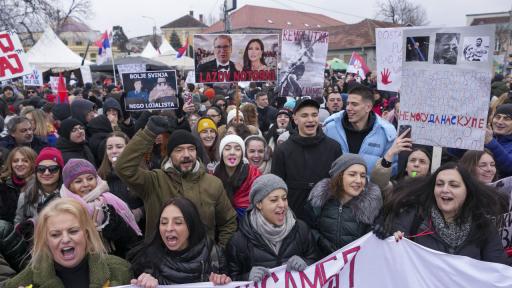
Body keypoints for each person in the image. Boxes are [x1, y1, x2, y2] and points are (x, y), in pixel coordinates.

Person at [115, 116, 237, 247]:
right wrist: (148, 133)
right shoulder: (154, 181)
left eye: (191, 149)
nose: (186, 154)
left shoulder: (213, 184)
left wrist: (219, 252)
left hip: (202, 261)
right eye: (179, 150)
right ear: (169, 155)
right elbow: (123, 168)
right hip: (161, 260)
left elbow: (228, 222)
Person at [373, 163, 509, 264]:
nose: (445, 189)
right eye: (439, 184)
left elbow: (497, 270)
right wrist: (391, 237)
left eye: (453, 185)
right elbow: (391, 259)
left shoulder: (483, 226)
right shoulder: (413, 217)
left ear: (467, 191)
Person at [4, 198, 132, 288]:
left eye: (73, 231)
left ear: (86, 234)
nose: (65, 239)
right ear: (46, 240)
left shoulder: (120, 269)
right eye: (55, 234)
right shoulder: (27, 280)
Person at [226, 174, 319, 281]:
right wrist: (246, 277)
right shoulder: (238, 241)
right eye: (274, 200)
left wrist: (305, 263)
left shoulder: (301, 229)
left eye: (284, 198)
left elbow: (316, 262)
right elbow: (230, 278)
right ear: (259, 204)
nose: (282, 205)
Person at [129, 197, 231, 286]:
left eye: (178, 222)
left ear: (192, 225)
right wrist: (143, 283)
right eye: (164, 222)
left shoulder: (214, 255)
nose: (169, 228)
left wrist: (224, 283)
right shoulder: (147, 259)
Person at [272, 98, 342, 220]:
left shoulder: (334, 147)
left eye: (314, 115)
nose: (310, 120)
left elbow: (339, 185)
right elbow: (277, 187)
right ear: (295, 119)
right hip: (294, 217)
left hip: (326, 217)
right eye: (304, 115)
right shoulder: (282, 150)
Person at [60, 159, 142, 257]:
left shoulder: (110, 201)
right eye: (78, 181)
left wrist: (106, 224)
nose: (86, 184)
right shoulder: (63, 209)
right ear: (69, 186)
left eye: (90, 178)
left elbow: (128, 238)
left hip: (114, 260)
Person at [305, 154, 382, 257]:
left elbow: (378, 241)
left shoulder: (371, 205)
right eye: (352, 174)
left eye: (363, 176)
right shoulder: (319, 200)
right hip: (324, 265)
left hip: (356, 266)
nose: (359, 180)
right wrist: (320, 241)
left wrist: (383, 231)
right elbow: (307, 229)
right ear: (339, 176)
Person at [324, 85, 397, 174]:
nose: (348, 108)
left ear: (368, 107)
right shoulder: (331, 127)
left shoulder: (386, 132)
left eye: (354, 104)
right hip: (336, 187)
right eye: (347, 103)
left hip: (370, 187)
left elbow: (391, 171)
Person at [97, 132, 144, 224]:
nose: (114, 151)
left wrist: (140, 212)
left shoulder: (141, 173)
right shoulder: (99, 177)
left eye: (119, 147)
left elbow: (154, 201)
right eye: (109, 148)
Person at [371, 129, 432, 200]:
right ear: (406, 167)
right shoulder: (395, 187)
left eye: (422, 161)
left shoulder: (434, 190)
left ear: (429, 168)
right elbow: (379, 184)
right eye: (412, 160)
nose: (416, 164)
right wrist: (390, 153)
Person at [214, 135, 261, 220]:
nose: (232, 152)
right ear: (221, 153)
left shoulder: (254, 175)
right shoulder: (214, 177)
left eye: (237, 149)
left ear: (242, 154)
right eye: (227, 149)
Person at [15, 147, 63, 226]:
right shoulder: (25, 195)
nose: (46, 173)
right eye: (41, 169)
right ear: (36, 171)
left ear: (60, 171)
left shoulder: (67, 195)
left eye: (53, 169)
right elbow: (18, 222)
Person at [0, 147, 37, 223]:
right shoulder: (3, 183)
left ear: (33, 163)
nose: (19, 164)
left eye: (25, 161)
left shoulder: (39, 184)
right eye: (15, 161)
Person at [484, 104, 512, 177]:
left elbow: (510, 166)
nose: (499, 122)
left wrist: (491, 142)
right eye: (497, 117)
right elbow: (457, 155)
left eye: (507, 119)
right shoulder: (485, 135)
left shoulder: (489, 139)